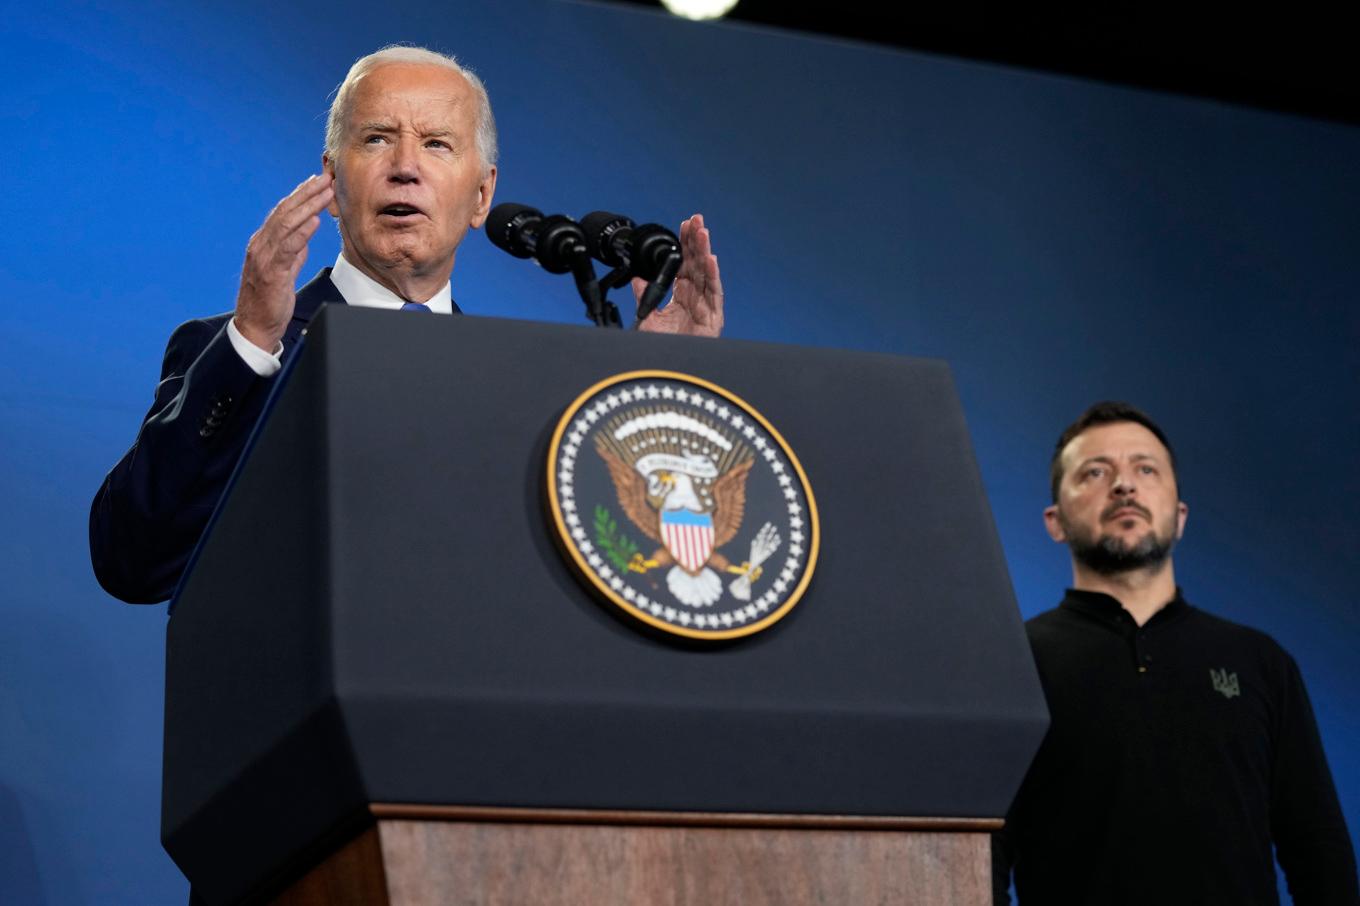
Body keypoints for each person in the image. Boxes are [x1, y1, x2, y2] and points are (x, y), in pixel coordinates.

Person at [89, 46, 724, 605]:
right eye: (376, 139)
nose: (405, 166)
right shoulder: (236, 351)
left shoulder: (520, 386)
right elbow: (132, 562)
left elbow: (606, 572)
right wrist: (254, 339)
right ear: (333, 182)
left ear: (481, 196)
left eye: (437, 143)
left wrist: (659, 397)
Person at [994, 401, 1357, 905]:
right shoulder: (1012, 664)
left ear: (1180, 515)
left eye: (1145, 469)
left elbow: (1318, 850)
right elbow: (983, 856)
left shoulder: (1261, 663)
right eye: (1095, 472)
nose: (1124, 484)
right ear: (1054, 521)